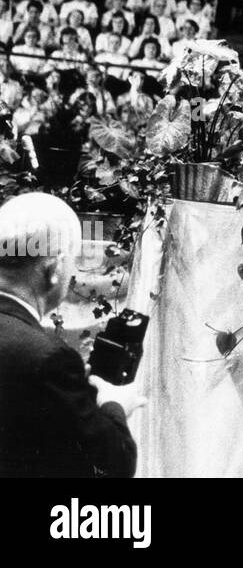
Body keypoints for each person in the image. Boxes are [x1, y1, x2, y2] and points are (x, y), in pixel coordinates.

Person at [0, 192, 143, 477]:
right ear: (54, 269)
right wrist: (114, 404)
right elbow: (113, 464)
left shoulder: (45, 362)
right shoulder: (48, 359)